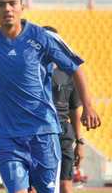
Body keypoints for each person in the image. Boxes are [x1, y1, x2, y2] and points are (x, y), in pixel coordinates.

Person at [0, 0, 101, 193]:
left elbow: (76, 68)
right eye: (1, 4)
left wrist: (88, 107)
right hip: (7, 136)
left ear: (22, 7)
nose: (7, 9)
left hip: (44, 135)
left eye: (12, 3)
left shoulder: (43, 38)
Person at [29, 26, 85, 193]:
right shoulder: (30, 70)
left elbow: (75, 108)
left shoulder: (69, 73)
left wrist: (80, 142)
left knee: (65, 185)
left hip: (62, 132)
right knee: (33, 186)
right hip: (36, 131)